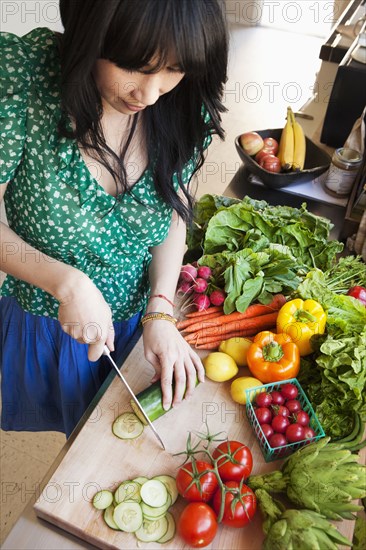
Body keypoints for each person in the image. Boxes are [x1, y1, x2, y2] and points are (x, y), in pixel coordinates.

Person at [0, 0, 228, 437]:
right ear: (91, 33)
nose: (150, 92)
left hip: (138, 318)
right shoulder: (23, 80)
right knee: (76, 446)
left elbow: (172, 210)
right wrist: (67, 283)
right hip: (48, 318)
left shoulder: (181, 104)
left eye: (174, 69)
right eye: (135, 66)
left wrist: (159, 309)